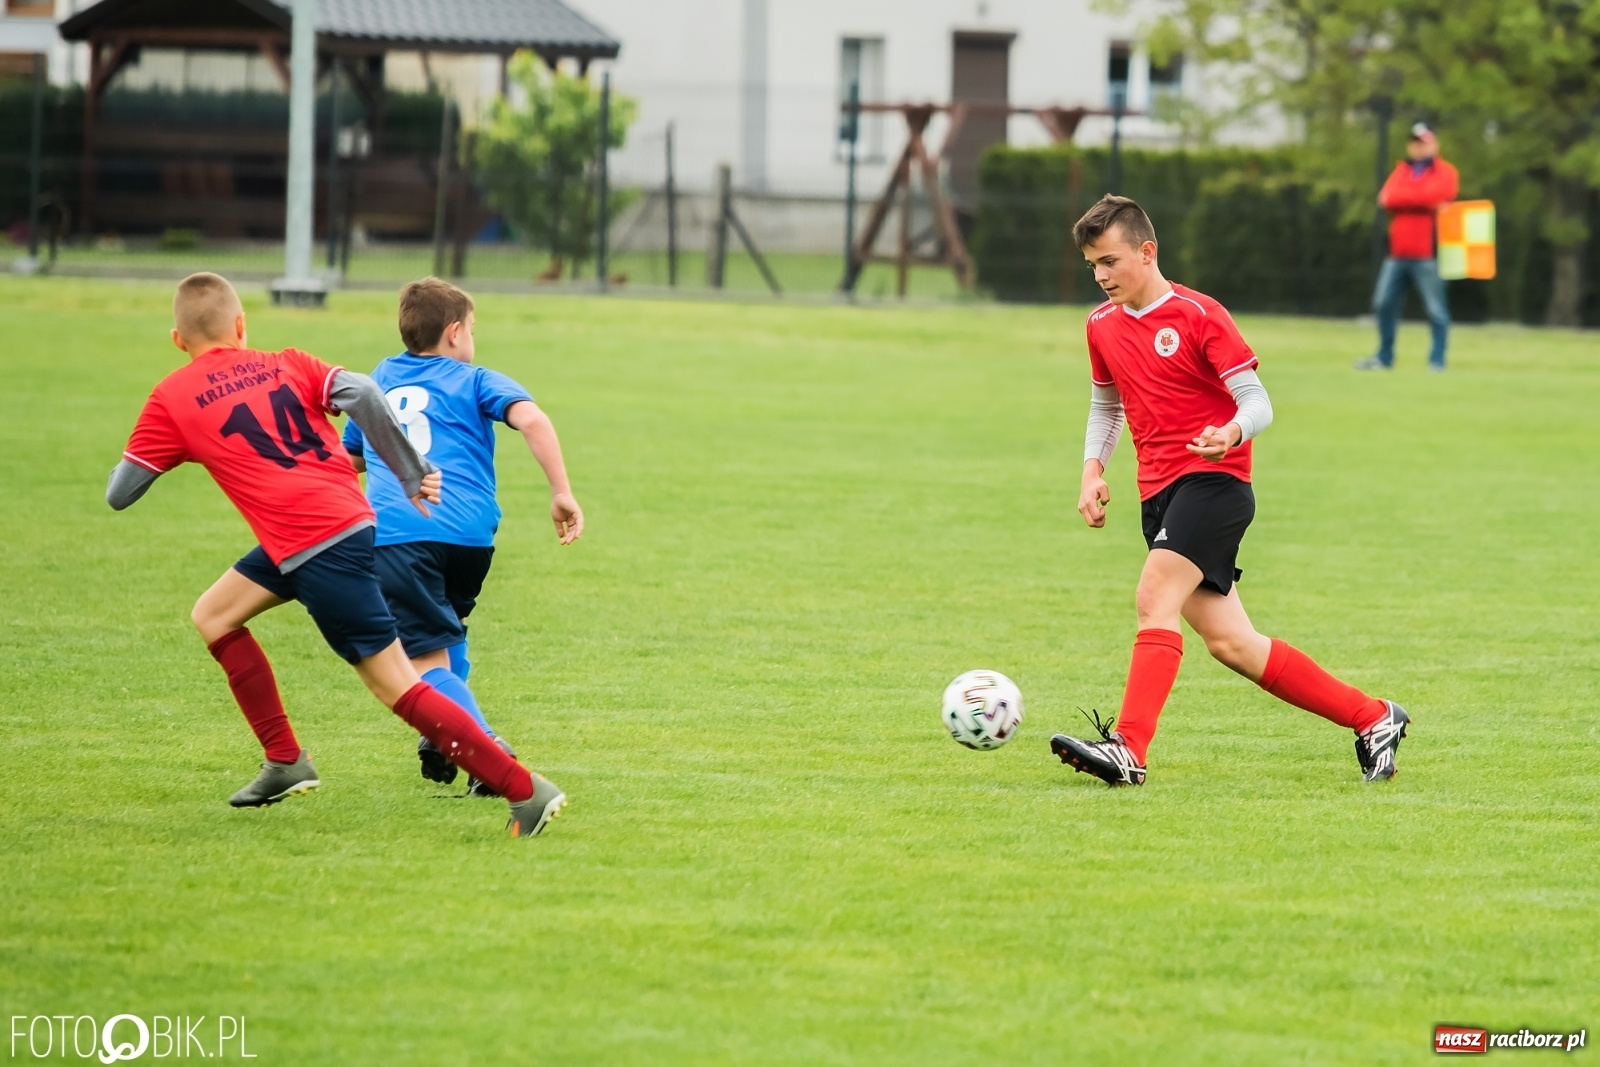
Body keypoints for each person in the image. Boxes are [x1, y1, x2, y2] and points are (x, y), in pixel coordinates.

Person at [105, 272, 566, 837]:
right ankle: (284, 760)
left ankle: (525, 790)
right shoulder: (288, 362)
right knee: (214, 613)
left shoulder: (170, 398)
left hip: (318, 542)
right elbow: (361, 394)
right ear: (241, 326)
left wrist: (172, 447)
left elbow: (120, 494)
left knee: (398, 683)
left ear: (177, 340)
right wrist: (411, 470)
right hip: (327, 528)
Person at [1049, 196, 1410, 787]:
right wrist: (1092, 469)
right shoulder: (1100, 326)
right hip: (1158, 496)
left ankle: (1128, 749)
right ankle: (1373, 718)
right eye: (1093, 265)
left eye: (1110, 261)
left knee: (1153, 599)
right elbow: (1105, 404)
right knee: (1233, 644)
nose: (1101, 276)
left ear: (1147, 251)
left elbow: (1258, 401)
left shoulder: (1198, 315)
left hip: (1215, 484)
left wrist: (1233, 432)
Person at [342, 277, 584, 795]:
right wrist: (561, 491)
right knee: (450, 633)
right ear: (454, 332)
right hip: (472, 537)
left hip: (402, 533)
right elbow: (534, 419)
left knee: (422, 660)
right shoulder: (475, 380)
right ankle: (447, 738)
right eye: (472, 328)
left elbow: (354, 457)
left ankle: (489, 751)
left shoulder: (379, 379)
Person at [1355, 122, 1460, 372]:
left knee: (1436, 310)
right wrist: (1420, 198)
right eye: (1414, 143)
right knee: (1383, 303)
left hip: (1428, 254)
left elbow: (1436, 195)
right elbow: (1386, 198)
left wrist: (1408, 198)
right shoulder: (1402, 170)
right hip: (1397, 253)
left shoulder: (1445, 171)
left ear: (1434, 145)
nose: (1417, 148)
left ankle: (1437, 361)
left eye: (1423, 143)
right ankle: (1384, 357)